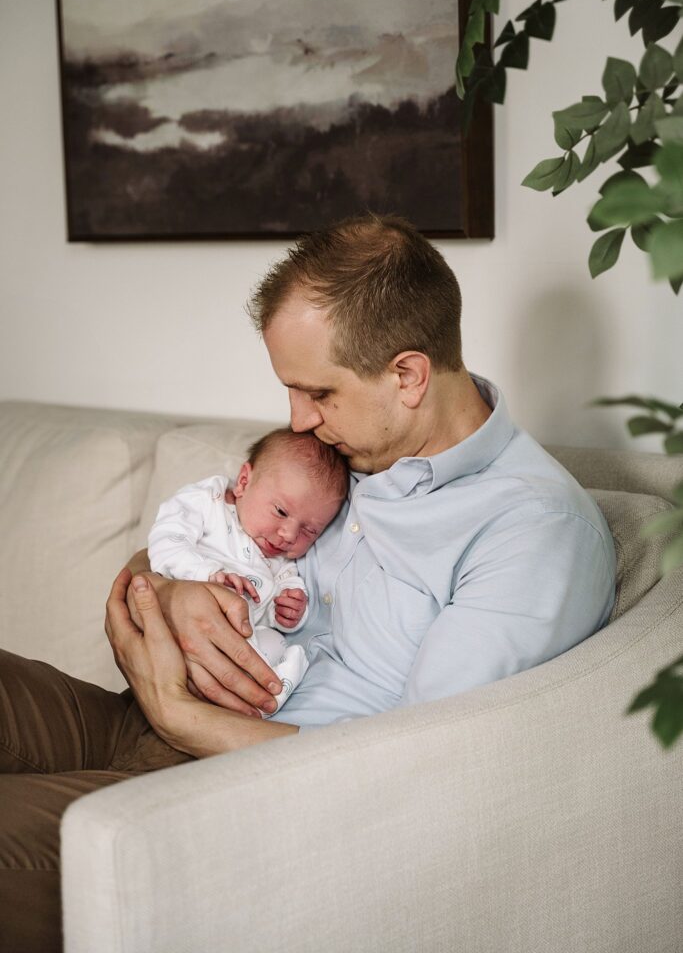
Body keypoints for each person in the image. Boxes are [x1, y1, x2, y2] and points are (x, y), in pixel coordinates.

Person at [0, 213, 616, 952]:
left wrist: (181, 717)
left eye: (317, 392)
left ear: (408, 375)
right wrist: (169, 590)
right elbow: (205, 527)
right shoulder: (355, 451)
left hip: (249, 787)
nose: (299, 420)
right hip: (145, 717)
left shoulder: (529, 530)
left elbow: (421, 770)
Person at [147, 426, 348, 714]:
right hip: (184, 634)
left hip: (242, 644)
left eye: (309, 530)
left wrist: (291, 610)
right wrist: (206, 573)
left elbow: (272, 602)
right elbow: (165, 542)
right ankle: (259, 699)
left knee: (276, 643)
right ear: (243, 481)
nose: (288, 535)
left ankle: (265, 699)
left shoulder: (281, 562)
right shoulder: (207, 503)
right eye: (280, 511)